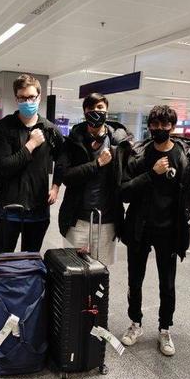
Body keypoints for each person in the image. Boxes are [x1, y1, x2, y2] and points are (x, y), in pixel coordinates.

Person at [120, 105, 190, 356]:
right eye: (155, 124)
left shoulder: (185, 157)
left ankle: (165, 328)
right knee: (134, 280)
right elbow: (124, 192)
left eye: (165, 125)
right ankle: (135, 323)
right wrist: (151, 174)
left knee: (167, 283)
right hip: (139, 228)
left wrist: (184, 209)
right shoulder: (138, 155)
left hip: (169, 231)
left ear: (173, 126)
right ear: (149, 126)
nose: (160, 129)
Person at [56, 93, 132, 265]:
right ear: (84, 112)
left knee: (101, 271)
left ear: (107, 111)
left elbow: (126, 177)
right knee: (74, 271)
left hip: (107, 222)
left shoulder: (118, 144)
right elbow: (66, 176)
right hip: (77, 220)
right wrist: (97, 164)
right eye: (91, 108)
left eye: (100, 108)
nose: (96, 111)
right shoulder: (73, 141)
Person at [0, 74, 64, 253]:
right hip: (8, 209)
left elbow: (63, 160)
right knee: (2, 260)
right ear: (16, 99)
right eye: (22, 98)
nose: (27, 102)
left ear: (39, 97)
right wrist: (31, 145)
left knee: (31, 261)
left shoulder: (51, 130)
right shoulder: (3, 127)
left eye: (31, 97)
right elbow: (4, 167)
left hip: (37, 209)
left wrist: (55, 186)